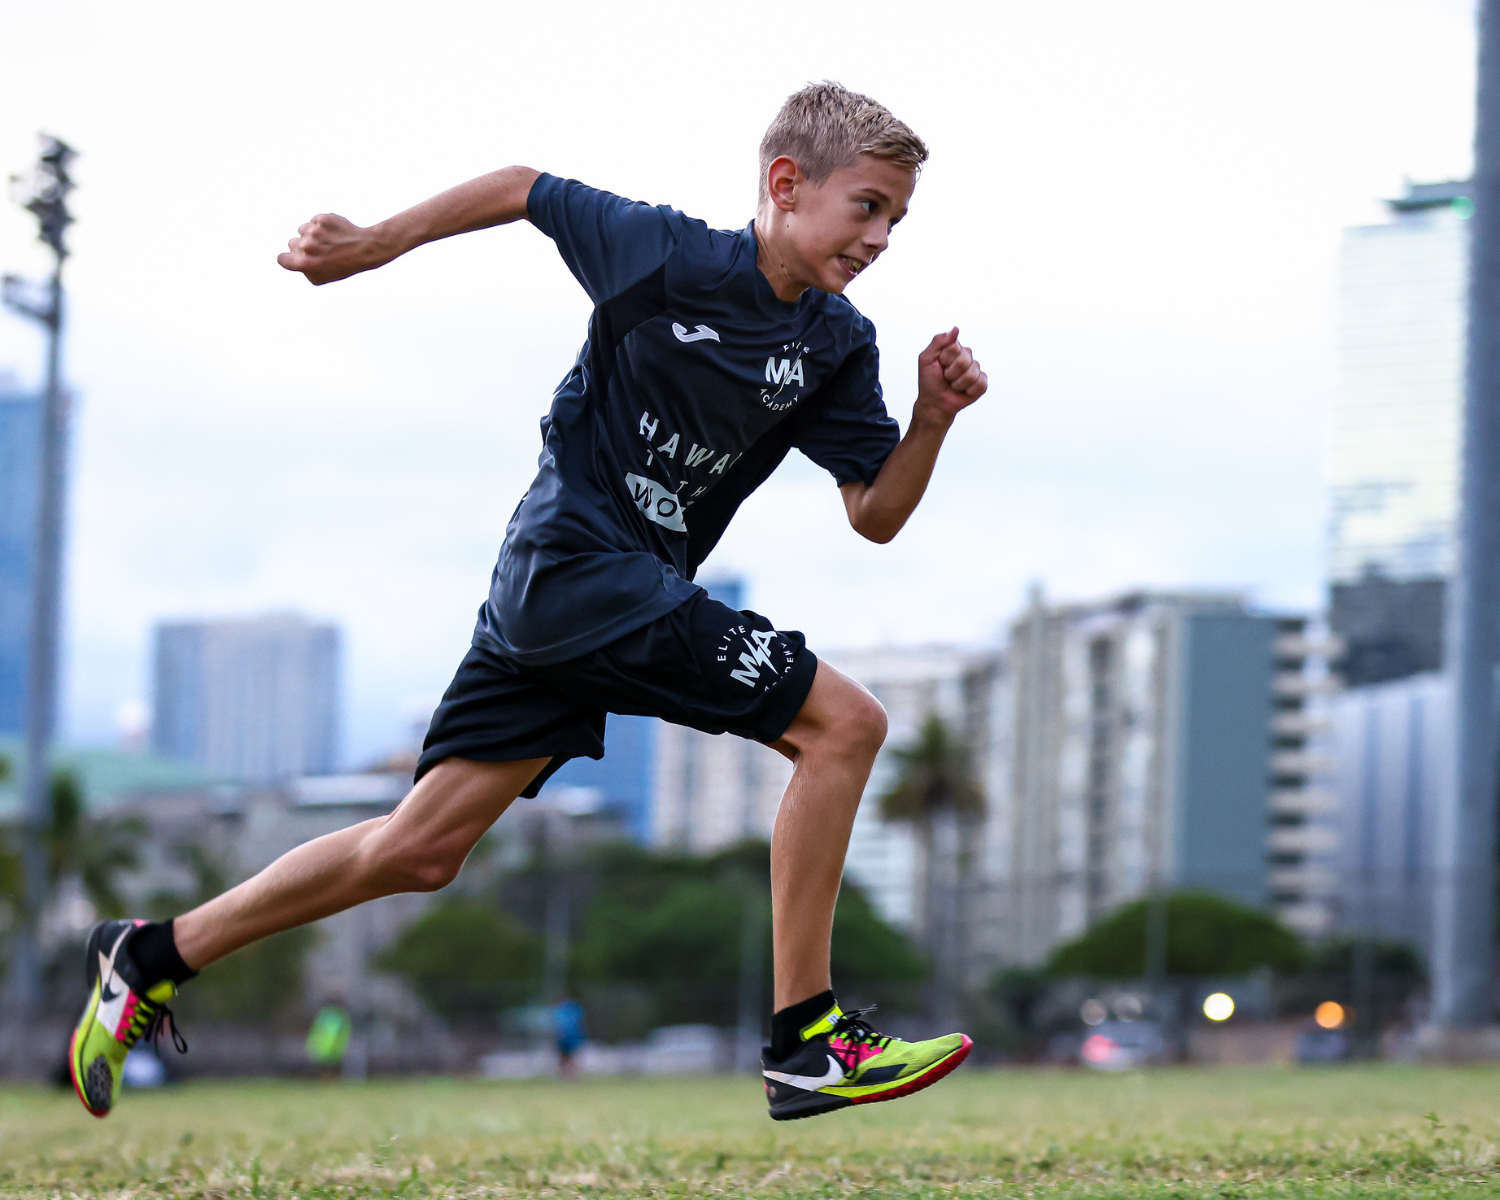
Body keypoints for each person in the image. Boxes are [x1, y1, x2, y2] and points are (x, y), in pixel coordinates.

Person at [68, 81, 988, 1123]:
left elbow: (874, 513)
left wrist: (932, 419)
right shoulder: (664, 253)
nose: (881, 237)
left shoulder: (837, 344)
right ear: (785, 183)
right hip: (571, 568)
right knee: (846, 726)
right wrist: (373, 244)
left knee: (419, 850)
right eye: (868, 206)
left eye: (896, 219)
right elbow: (522, 187)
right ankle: (807, 1040)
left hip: (588, 602)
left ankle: (150, 955)